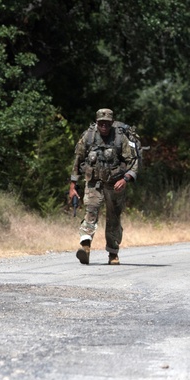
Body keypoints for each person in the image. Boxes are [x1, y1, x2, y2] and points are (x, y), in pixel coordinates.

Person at [68, 108, 139, 265]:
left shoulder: (121, 138)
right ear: (97, 123)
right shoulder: (89, 136)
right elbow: (78, 159)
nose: (104, 127)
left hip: (115, 184)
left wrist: (125, 179)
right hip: (93, 183)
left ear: (112, 123)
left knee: (113, 218)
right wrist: (73, 185)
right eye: (101, 124)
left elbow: (133, 162)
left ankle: (113, 254)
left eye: (107, 124)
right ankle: (85, 248)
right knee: (90, 211)